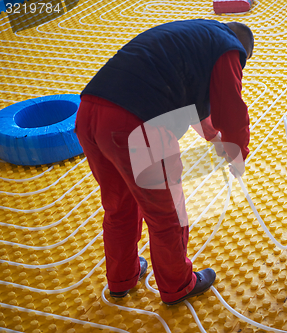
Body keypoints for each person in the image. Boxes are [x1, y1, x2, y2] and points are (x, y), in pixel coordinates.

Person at [75, 19, 253, 304]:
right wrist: (238, 153)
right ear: (242, 51)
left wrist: (215, 138)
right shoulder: (229, 49)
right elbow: (230, 109)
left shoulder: (194, 37)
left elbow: (197, 103)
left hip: (89, 114)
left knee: (119, 204)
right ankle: (178, 285)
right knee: (167, 214)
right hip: (136, 126)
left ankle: (122, 278)